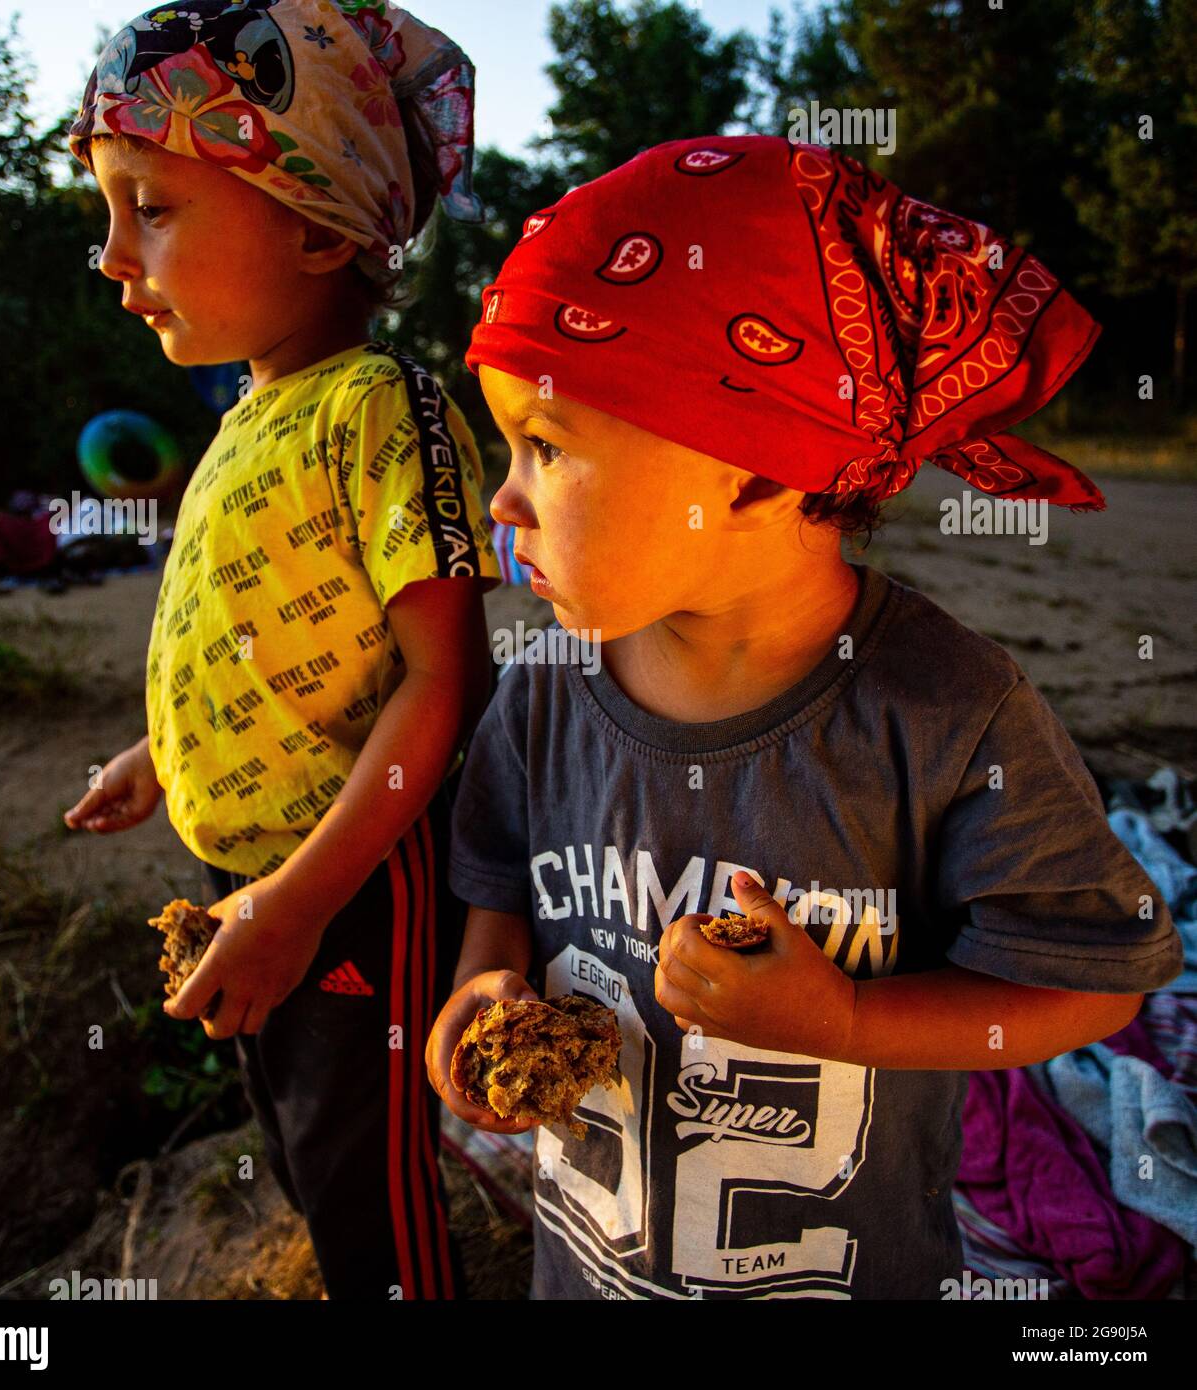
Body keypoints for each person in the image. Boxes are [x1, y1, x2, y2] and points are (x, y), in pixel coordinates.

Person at [424, 134, 1183, 1300]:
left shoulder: (947, 714)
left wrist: (845, 1016)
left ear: (758, 467)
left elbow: (1097, 980)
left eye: (547, 445)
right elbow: (493, 899)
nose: (504, 499)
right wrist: (480, 1000)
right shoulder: (538, 694)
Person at [62, 0, 502, 1300]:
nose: (111, 253)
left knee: (367, 1176)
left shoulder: (381, 408)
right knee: (303, 1133)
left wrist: (300, 901)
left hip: (350, 876)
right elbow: (264, 623)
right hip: (240, 878)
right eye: (110, 210)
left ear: (317, 224)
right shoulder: (250, 416)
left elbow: (444, 675)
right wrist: (164, 748)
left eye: (152, 206)